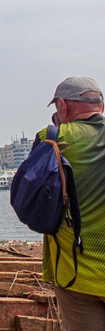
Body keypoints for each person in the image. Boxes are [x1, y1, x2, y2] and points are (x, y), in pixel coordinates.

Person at [32, 76, 105, 331]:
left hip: (75, 274)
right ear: (102, 106)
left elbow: (29, 199)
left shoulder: (52, 139)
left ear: (62, 107)